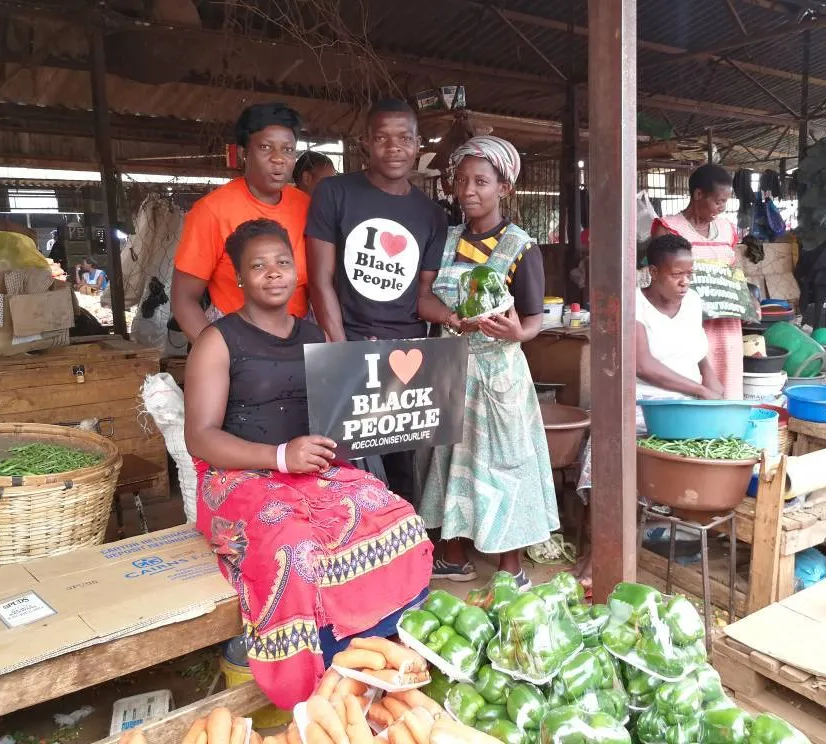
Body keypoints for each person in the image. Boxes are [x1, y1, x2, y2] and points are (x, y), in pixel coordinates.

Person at [184, 218, 431, 709]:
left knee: (398, 519)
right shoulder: (218, 340)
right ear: (238, 277)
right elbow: (201, 437)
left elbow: (339, 417)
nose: (272, 273)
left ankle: (375, 654)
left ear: (296, 270)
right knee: (295, 547)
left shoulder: (315, 336)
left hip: (312, 471)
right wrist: (279, 456)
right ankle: (317, 680)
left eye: (282, 262)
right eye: (258, 266)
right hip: (240, 476)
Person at [418, 136, 558, 588]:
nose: (469, 190)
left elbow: (534, 319)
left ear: (505, 188)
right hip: (450, 366)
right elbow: (424, 301)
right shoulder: (446, 240)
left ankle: (510, 566)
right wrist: (452, 319)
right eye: (462, 181)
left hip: (499, 376)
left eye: (481, 181)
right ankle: (454, 554)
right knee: (448, 460)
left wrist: (517, 333)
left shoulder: (520, 246)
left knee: (504, 462)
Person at [306, 98, 452, 504]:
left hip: (406, 353)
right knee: (345, 466)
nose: (394, 148)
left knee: (402, 464)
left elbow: (424, 293)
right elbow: (320, 280)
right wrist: (341, 353)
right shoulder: (334, 193)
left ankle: (400, 549)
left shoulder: (431, 214)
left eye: (404, 138)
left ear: (418, 144)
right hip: (345, 343)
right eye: (382, 138)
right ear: (365, 143)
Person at [574, 233, 723, 591]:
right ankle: (600, 552)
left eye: (690, 273)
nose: (685, 281)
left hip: (687, 409)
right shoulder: (635, 306)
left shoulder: (693, 302)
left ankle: (608, 554)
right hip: (642, 405)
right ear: (653, 272)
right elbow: (643, 365)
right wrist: (700, 390)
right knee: (605, 457)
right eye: (677, 274)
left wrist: (713, 383)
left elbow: (701, 354)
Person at [172, 102, 311, 342]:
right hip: (236, 336)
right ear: (244, 153)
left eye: (288, 150)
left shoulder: (307, 206)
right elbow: (184, 299)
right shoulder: (212, 211)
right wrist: (220, 355)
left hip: (301, 334)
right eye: (266, 147)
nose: (279, 159)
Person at [652, 164, 744, 399]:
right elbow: (662, 274)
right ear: (698, 194)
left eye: (725, 202)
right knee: (693, 374)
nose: (721, 208)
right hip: (687, 320)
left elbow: (734, 270)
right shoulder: (669, 228)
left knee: (727, 376)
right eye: (717, 201)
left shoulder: (727, 229)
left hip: (725, 322)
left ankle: (727, 426)